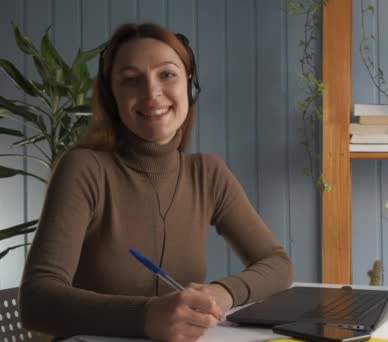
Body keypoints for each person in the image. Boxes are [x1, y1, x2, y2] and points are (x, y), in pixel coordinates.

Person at [19, 22, 293, 341]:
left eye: (167, 74)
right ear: (112, 97)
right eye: (131, 80)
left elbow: (278, 264)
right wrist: (147, 316)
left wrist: (222, 293)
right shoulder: (84, 168)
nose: (151, 93)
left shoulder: (208, 173)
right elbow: (36, 301)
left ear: (189, 86)